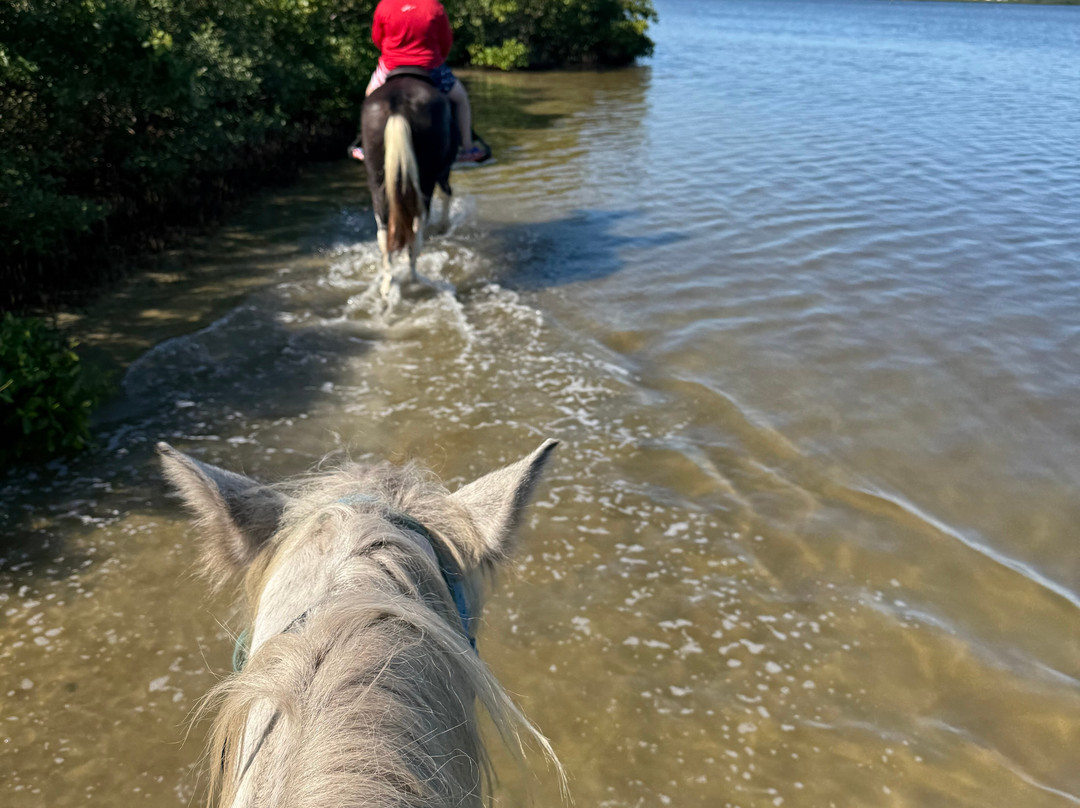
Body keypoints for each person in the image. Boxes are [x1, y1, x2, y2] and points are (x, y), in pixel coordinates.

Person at [354, 0, 485, 164]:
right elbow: (446, 42)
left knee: (369, 96)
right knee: (461, 98)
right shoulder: (434, 7)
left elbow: (377, 39)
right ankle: (467, 148)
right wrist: (437, 59)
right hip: (430, 66)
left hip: (391, 65)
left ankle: (365, 146)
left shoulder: (385, 5)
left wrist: (393, 53)